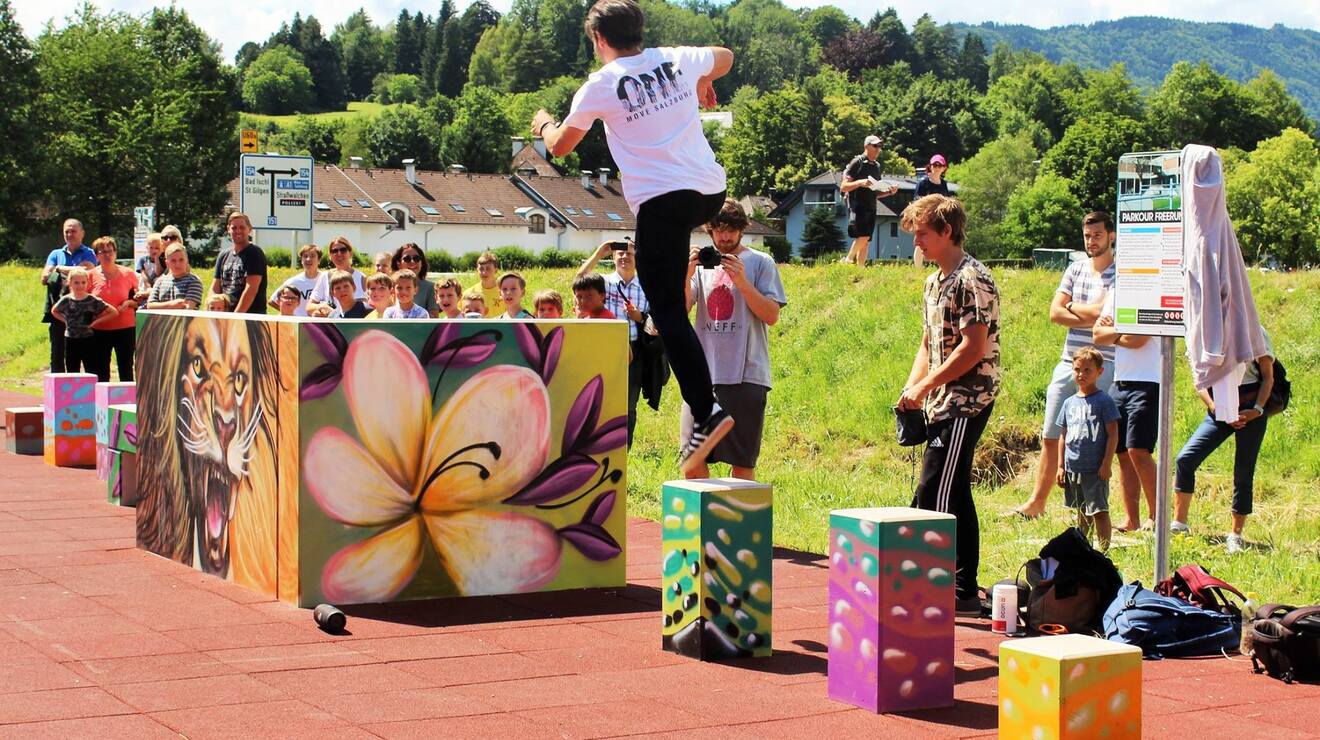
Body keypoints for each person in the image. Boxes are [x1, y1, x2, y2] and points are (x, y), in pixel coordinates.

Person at [532, 0, 736, 472]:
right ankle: (706, 407)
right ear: (638, 32)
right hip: (709, 190)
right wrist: (705, 78)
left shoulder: (600, 85)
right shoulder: (676, 58)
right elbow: (724, 54)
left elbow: (561, 145)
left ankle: (707, 412)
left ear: (599, 40)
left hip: (664, 202)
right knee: (664, 294)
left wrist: (542, 123)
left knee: (665, 308)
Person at [895, 194, 1000, 616]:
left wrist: (926, 386)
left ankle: (933, 585)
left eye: (922, 233)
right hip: (941, 397)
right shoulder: (934, 280)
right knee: (953, 491)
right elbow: (929, 340)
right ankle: (962, 590)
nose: (916, 242)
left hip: (967, 398)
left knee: (933, 490)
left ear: (946, 232)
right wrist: (912, 386)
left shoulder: (971, 279)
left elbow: (972, 349)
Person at [1011, 211, 1123, 519]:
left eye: (1097, 235)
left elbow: (1103, 311)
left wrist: (1072, 306)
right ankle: (1036, 503)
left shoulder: (1121, 273)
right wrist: (1080, 310)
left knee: (1094, 440)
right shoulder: (1075, 269)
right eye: (1087, 235)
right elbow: (1055, 313)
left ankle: (1094, 509)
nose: (1091, 241)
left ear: (1111, 236)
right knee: (1052, 433)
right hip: (1068, 363)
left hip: (1104, 364)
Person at [680, 199, 786, 481]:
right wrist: (686, 274)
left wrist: (742, 282)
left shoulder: (761, 262)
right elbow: (681, 311)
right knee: (691, 460)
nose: (724, 237)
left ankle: (736, 523)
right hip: (702, 376)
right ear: (709, 230)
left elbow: (771, 315)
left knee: (741, 463)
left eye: (731, 230)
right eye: (718, 230)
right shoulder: (701, 265)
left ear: (742, 230)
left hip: (746, 375)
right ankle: (704, 523)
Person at [1173, 333, 1275, 554]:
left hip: (1252, 406)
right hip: (1219, 404)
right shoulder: (1206, 330)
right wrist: (1214, 406)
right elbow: (1199, 379)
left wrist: (1256, 410)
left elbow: (1268, 376)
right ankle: (1179, 525)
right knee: (1185, 458)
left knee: (1243, 471)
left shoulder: (1254, 330)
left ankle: (1235, 535)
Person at [1093, 294, 1161, 531]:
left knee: (1138, 450)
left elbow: (1140, 338)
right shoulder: (1115, 293)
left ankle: (1156, 516)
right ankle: (1132, 519)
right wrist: (1123, 332)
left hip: (1148, 382)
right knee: (1122, 453)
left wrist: (1113, 331)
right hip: (1119, 383)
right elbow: (1097, 335)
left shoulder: (1150, 292)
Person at [577, 239, 655, 445]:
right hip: (602, 350)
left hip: (634, 352)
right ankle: (596, 444)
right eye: (619, 254)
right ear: (613, 258)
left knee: (628, 404)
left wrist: (639, 316)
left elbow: (654, 323)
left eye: (629, 254)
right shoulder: (603, 282)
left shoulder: (646, 286)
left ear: (637, 258)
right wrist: (598, 253)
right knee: (599, 401)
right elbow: (579, 281)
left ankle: (623, 449)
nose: (624, 257)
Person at [1055, 347, 1120, 552]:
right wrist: (1060, 466)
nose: (1081, 374)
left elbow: (1113, 434)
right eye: (1077, 369)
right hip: (1073, 466)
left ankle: (1104, 551)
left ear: (1099, 372)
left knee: (1099, 510)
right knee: (1081, 511)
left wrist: (1106, 463)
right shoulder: (1068, 403)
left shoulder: (1104, 401)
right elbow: (1063, 436)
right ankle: (1084, 550)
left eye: (1087, 370)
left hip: (1095, 468)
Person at [41, 218, 97, 372]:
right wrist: (73, 270)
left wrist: (58, 268)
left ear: (82, 233)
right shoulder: (55, 253)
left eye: (73, 231)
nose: (69, 234)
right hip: (59, 311)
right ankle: (58, 390)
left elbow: (87, 272)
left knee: (83, 353)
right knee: (57, 353)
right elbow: (44, 277)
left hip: (83, 312)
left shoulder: (89, 253)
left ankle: (84, 389)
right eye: (67, 231)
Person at [839, 135, 899, 266]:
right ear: (866, 146)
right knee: (864, 236)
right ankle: (848, 260)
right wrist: (861, 182)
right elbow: (844, 187)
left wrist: (889, 191)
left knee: (866, 241)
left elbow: (875, 192)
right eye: (875, 146)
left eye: (879, 146)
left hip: (871, 206)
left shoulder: (876, 166)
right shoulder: (857, 162)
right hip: (857, 204)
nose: (878, 149)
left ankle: (860, 270)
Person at [88, 236, 140, 382]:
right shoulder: (90, 276)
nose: (107, 255)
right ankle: (101, 403)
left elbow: (139, 301)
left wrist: (129, 303)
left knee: (126, 367)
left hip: (125, 328)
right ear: (96, 255)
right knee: (100, 369)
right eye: (102, 252)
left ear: (116, 253)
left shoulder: (128, 274)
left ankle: (127, 402)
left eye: (110, 251)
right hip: (99, 329)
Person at [51, 268, 118, 375]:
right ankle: (73, 391)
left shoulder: (92, 300)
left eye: (83, 282)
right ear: (70, 283)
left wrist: (96, 322)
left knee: (91, 369)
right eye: (76, 283)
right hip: (71, 338)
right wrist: (65, 321)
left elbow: (113, 312)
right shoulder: (66, 300)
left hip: (88, 338)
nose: (80, 285)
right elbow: (54, 311)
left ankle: (90, 391)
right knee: (72, 369)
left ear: (87, 283)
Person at [212, 212, 268, 314]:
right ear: (228, 229)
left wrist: (236, 316)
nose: (238, 231)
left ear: (249, 229)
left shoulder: (254, 253)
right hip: (226, 316)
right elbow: (215, 288)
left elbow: (251, 289)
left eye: (242, 227)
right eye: (234, 228)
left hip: (250, 317)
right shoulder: (223, 255)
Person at [307, 237, 365, 316]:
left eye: (343, 250)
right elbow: (309, 307)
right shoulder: (325, 277)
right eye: (334, 251)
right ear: (330, 255)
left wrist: (334, 313)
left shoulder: (361, 278)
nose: (339, 253)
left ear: (350, 253)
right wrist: (321, 307)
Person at [912, 155, 951, 269]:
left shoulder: (944, 184)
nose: (937, 167)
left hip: (939, 218)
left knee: (939, 242)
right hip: (925, 217)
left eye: (940, 165)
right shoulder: (923, 183)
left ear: (944, 168)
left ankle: (940, 266)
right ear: (930, 166)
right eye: (934, 165)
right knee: (921, 243)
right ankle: (918, 268)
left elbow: (946, 201)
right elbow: (916, 201)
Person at [268, 244, 321, 316]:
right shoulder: (293, 282)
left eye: (312, 256)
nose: (308, 259)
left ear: (319, 260)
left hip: (320, 324)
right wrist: (289, 313)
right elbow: (272, 301)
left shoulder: (325, 279)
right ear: (301, 260)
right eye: (305, 256)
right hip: (299, 323)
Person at [146, 244, 204, 311]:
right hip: (162, 321)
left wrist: (160, 306)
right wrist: (172, 305)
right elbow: (150, 305)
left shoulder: (194, 281)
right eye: (173, 260)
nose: (177, 264)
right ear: (167, 263)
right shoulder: (160, 281)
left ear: (187, 261)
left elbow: (188, 308)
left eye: (181, 260)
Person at [391, 244, 441, 317]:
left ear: (421, 263)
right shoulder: (389, 285)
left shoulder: (431, 287)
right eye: (407, 259)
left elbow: (434, 318)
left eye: (416, 258)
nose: (412, 261)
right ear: (398, 263)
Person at [468, 252, 504, 318]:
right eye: (481, 269)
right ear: (477, 270)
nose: (484, 272)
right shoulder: (469, 293)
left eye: (488, 269)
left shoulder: (504, 292)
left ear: (496, 270)